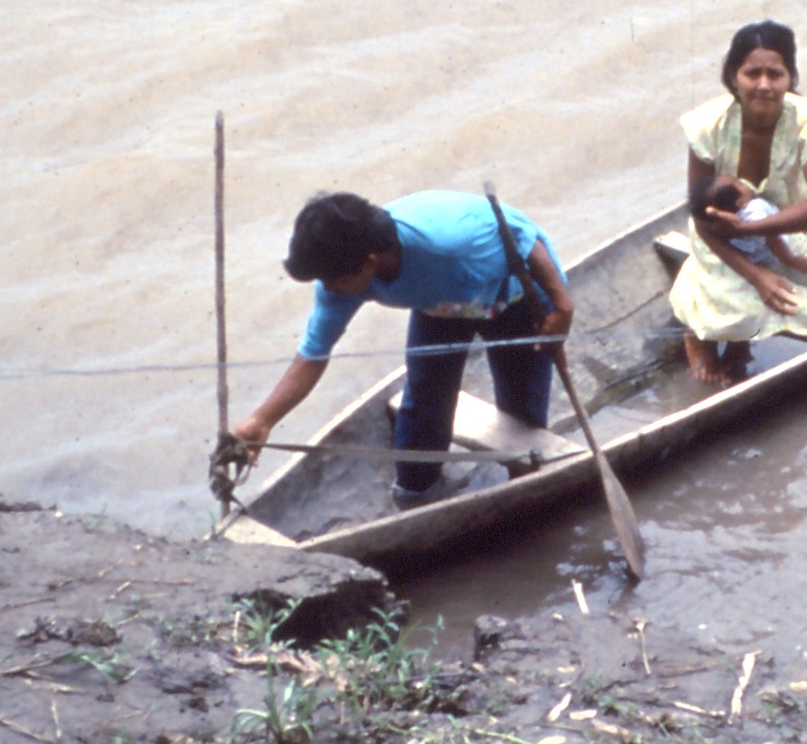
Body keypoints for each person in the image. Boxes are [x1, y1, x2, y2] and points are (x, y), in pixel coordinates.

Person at [231, 189, 572, 510]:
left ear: (368, 262)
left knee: (521, 413)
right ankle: (415, 495)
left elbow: (524, 238)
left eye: (333, 280)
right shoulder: (341, 281)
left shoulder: (449, 242)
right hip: (442, 306)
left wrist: (561, 305)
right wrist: (262, 421)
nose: (328, 289)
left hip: (515, 298)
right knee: (425, 398)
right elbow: (313, 353)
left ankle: (524, 488)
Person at [669, 21, 807, 384]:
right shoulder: (708, 125)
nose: (764, 85)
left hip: (786, 230)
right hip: (722, 239)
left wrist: (755, 228)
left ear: (790, 78)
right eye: (753, 73)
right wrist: (756, 275)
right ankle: (697, 336)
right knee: (729, 306)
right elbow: (702, 217)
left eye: (775, 74)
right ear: (733, 77)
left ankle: (738, 344)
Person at [701, 175, 807, 284]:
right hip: (782, 262)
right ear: (740, 202)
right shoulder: (753, 214)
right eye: (739, 183)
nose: (743, 182)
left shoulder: (731, 222)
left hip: (787, 243)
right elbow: (773, 241)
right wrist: (792, 260)